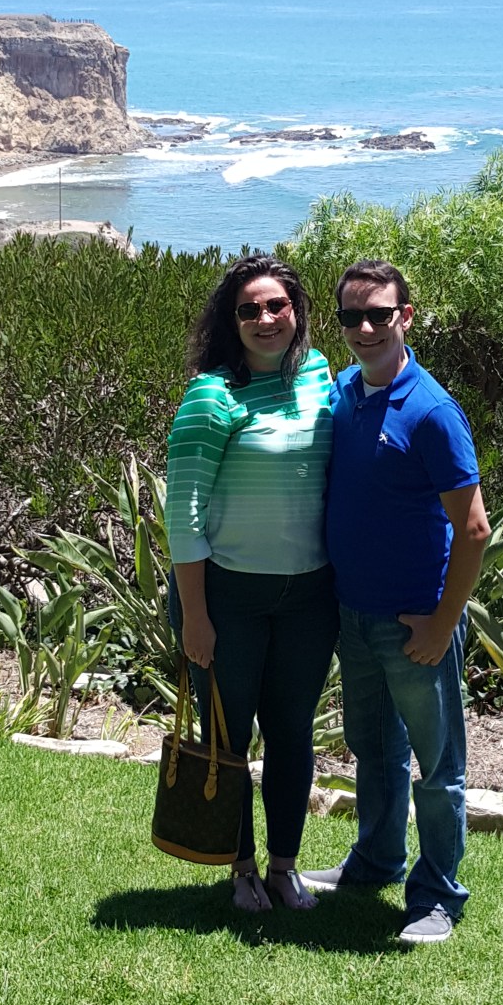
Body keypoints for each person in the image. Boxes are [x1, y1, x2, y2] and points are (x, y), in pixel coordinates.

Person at [301, 259, 490, 944]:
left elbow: (474, 528)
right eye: (352, 316)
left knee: (438, 767)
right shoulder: (345, 392)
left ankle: (438, 895)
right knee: (374, 748)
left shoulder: (432, 411)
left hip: (415, 624)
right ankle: (376, 859)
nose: (366, 328)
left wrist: (442, 622)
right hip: (355, 614)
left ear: (406, 317)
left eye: (380, 314)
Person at [165, 254, 338, 913]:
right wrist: (195, 616)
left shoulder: (318, 373)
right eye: (249, 309)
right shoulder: (211, 395)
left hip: (309, 597)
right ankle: (240, 870)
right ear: (230, 320)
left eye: (277, 305)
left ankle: (284, 868)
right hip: (227, 597)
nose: (266, 319)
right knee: (228, 738)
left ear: (297, 310)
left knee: (292, 732)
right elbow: (183, 513)